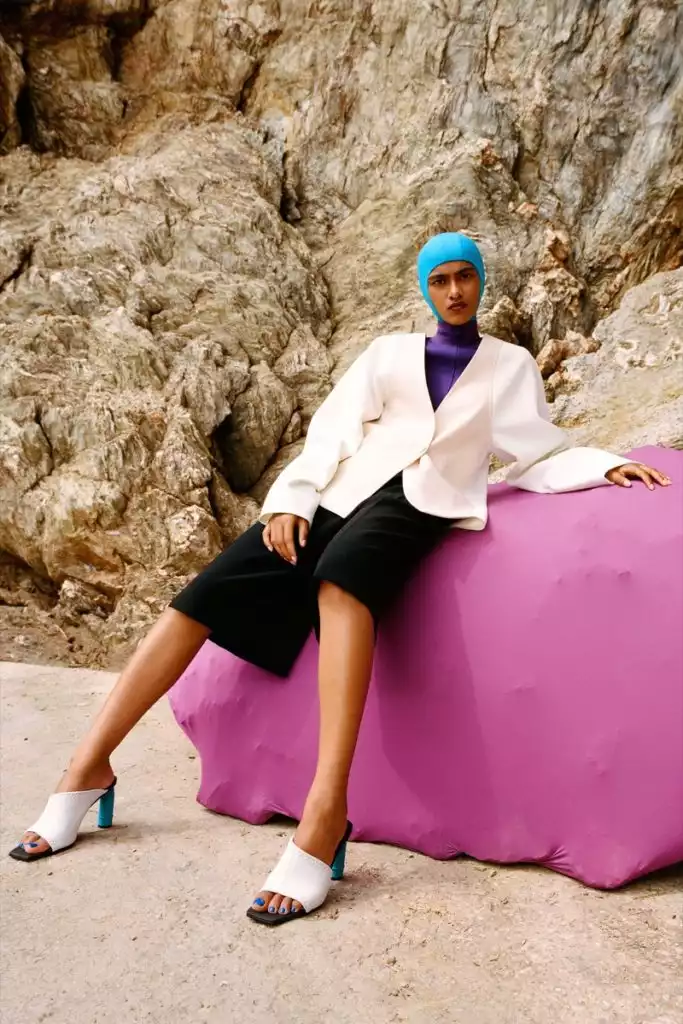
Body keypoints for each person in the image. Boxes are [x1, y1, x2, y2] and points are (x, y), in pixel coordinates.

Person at [10, 233, 670, 927]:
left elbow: (537, 451)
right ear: (424, 289)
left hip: (421, 505)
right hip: (338, 494)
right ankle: (87, 766)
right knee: (204, 595)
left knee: (341, 581)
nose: (453, 291)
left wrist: (602, 466)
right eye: (439, 280)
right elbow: (331, 432)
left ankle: (325, 812)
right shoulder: (387, 354)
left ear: (481, 282)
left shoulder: (509, 366)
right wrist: (292, 501)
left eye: (464, 277)